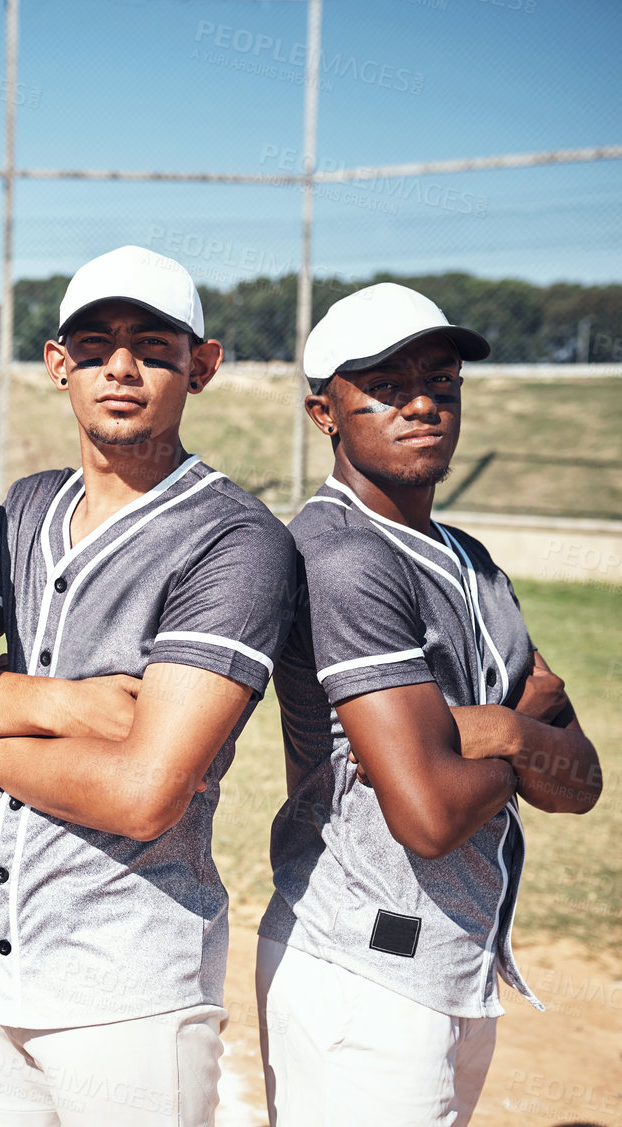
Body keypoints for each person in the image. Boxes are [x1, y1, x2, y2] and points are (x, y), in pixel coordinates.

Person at [0, 245, 298, 1126]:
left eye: (154, 345)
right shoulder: (33, 505)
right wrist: (56, 706)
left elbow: (145, 793)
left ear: (203, 364)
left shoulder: (235, 539)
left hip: (133, 982)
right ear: (58, 364)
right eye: (94, 345)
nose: (121, 366)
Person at [257, 282, 602, 1126]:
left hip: (451, 961)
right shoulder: (341, 553)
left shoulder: (472, 559)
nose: (420, 401)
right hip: (362, 973)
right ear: (324, 411)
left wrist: (487, 733)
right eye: (383, 382)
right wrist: (524, 731)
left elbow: (584, 779)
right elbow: (428, 810)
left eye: (440, 382)